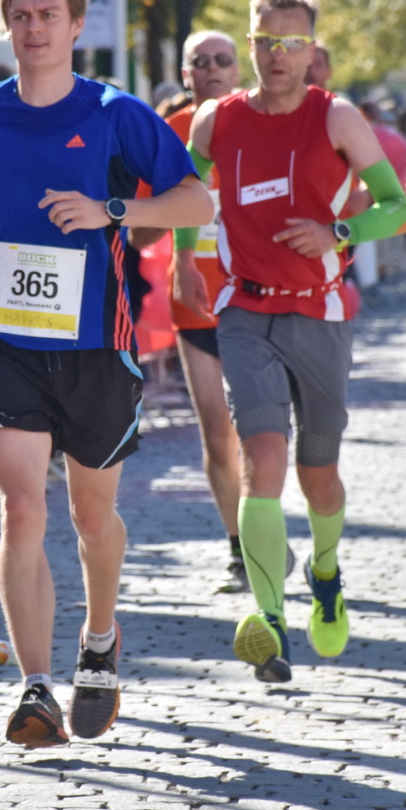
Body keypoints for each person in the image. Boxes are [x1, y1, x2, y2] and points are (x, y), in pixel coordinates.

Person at [0, 0, 211, 747]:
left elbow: (196, 198)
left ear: (76, 25)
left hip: (96, 345)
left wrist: (110, 209)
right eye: (21, 16)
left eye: (49, 15)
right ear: (6, 24)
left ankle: (102, 635)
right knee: (21, 504)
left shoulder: (114, 113)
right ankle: (35, 688)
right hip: (8, 338)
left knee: (93, 514)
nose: (34, 28)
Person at [190, 0, 406, 684]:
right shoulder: (213, 121)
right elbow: (189, 200)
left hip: (318, 313)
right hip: (245, 312)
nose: (276, 56)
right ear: (248, 42)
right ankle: (271, 621)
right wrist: (178, 266)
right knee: (261, 453)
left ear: (312, 50)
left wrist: (336, 231)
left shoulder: (338, 118)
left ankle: (324, 569)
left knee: (319, 475)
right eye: (264, 41)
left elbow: (397, 208)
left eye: (291, 43)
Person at [163, 30, 247, 592]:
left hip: (256, 297)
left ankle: (263, 524)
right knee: (218, 432)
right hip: (194, 300)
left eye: (223, 60)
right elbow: (144, 213)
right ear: (186, 72)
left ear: (238, 68)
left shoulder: (259, 122)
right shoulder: (166, 133)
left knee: (263, 431)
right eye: (201, 62)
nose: (212, 69)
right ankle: (240, 547)